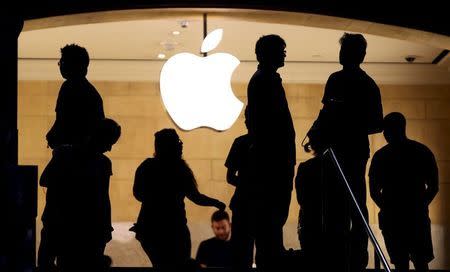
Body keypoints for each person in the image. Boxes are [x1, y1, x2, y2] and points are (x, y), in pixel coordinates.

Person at [312, 32, 383, 272]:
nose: (341, 55)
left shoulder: (366, 84)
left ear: (358, 55)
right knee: (335, 207)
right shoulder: (337, 80)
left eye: (346, 51)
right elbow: (325, 111)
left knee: (354, 205)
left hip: (350, 151)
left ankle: (356, 260)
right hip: (336, 151)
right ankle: (337, 257)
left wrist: (346, 123)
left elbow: (376, 122)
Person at [132, 128, 226, 271]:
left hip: (150, 229)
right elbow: (195, 196)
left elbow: (137, 194)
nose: (181, 145)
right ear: (171, 146)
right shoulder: (180, 169)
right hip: (175, 229)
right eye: (177, 142)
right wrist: (215, 202)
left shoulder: (147, 166)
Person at [38, 118, 120, 272]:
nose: (109, 148)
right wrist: (105, 227)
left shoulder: (62, 153)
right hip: (87, 229)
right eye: (109, 142)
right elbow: (103, 199)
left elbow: (44, 180)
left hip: (57, 223)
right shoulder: (103, 163)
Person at [246, 34, 296, 271]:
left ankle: (272, 253)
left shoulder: (266, 80)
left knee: (274, 213)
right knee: (272, 212)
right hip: (274, 161)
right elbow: (268, 124)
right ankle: (271, 257)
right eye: (281, 50)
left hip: (276, 159)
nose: (284, 53)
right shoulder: (264, 80)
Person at [369, 112, 438, 272]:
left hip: (393, 219)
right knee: (421, 262)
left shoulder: (381, 156)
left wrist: (388, 208)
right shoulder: (422, 151)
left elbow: (374, 190)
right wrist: (419, 205)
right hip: (417, 217)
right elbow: (433, 186)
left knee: (400, 264)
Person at [295, 128, 348, 270]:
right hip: (335, 222)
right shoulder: (339, 168)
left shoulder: (305, 167)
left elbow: (301, 198)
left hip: (310, 222)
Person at [46, 43, 105, 149]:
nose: (60, 65)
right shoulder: (92, 93)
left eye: (62, 62)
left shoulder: (68, 87)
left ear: (72, 65)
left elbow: (63, 120)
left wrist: (53, 135)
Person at [225, 107, 255, 271]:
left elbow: (230, 177)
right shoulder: (272, 144)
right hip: (260, 205)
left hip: (242, 203)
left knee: (241, 254)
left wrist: (245, 185)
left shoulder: (240, 142)